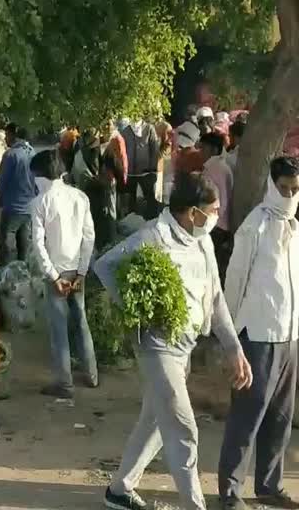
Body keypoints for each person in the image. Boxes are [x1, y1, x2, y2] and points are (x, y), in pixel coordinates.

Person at [95, 172, 253, 510]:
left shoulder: (202, 241)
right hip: (157, 346)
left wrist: (233, 348)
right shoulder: (153, 237)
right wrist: (137, 306)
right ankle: (194, 505)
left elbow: (215, 298)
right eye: (211, 210)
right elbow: (105, 266)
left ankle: (119, 490)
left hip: (186, 345)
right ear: (191, 211)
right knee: (183, 427)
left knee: (155, 420)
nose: (215, 217)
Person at [218, 157, 299, 510]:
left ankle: (269, 485)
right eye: (284, 188)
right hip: (256, 335)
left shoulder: (294, 229)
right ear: (271, 185)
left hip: (289, 336)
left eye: (296, 189)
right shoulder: (255, 226)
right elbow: (234, 282)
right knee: (247, 417)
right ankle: (230, 491)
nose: (290, 195)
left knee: (280, 418)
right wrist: (232, 339)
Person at [30, 149, 97, 399]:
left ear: (40, 175)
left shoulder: (40, 202)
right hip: (76, 268)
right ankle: (91, 374)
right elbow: (89, 236)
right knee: (81, 321)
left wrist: (53, 276)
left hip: (56, 272)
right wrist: (82, 271)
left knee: (59, 329)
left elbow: (38, 244)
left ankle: (64, 382)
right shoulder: (79, 197)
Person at [0, 123, 37, 264]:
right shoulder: (33, 153)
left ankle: (4, 275)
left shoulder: (10, 155)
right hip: (28, 208)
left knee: (5, 246)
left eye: (7, 135)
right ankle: (22, 276)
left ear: (13, 135)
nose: (5, 139)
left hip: (12, 208)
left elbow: (2, 180)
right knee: (24, 248)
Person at [201, 132, 234, 284]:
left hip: (216, 225)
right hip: (221, 224)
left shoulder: (215, 169)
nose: (201, 152)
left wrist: (211, 221)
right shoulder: (220, 166)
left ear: (214, 149)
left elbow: (220, 199)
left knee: (212, 268)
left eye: (204, 148)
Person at [121, 118, 160, 219]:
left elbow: (154, 149)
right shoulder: (126, 131)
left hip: (146, 172)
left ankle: (153, 219)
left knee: (150, 198)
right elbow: (122, 151)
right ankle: (131, 222)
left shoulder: (149, 128)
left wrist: (153, 169)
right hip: (130, 173)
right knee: (130, 199)